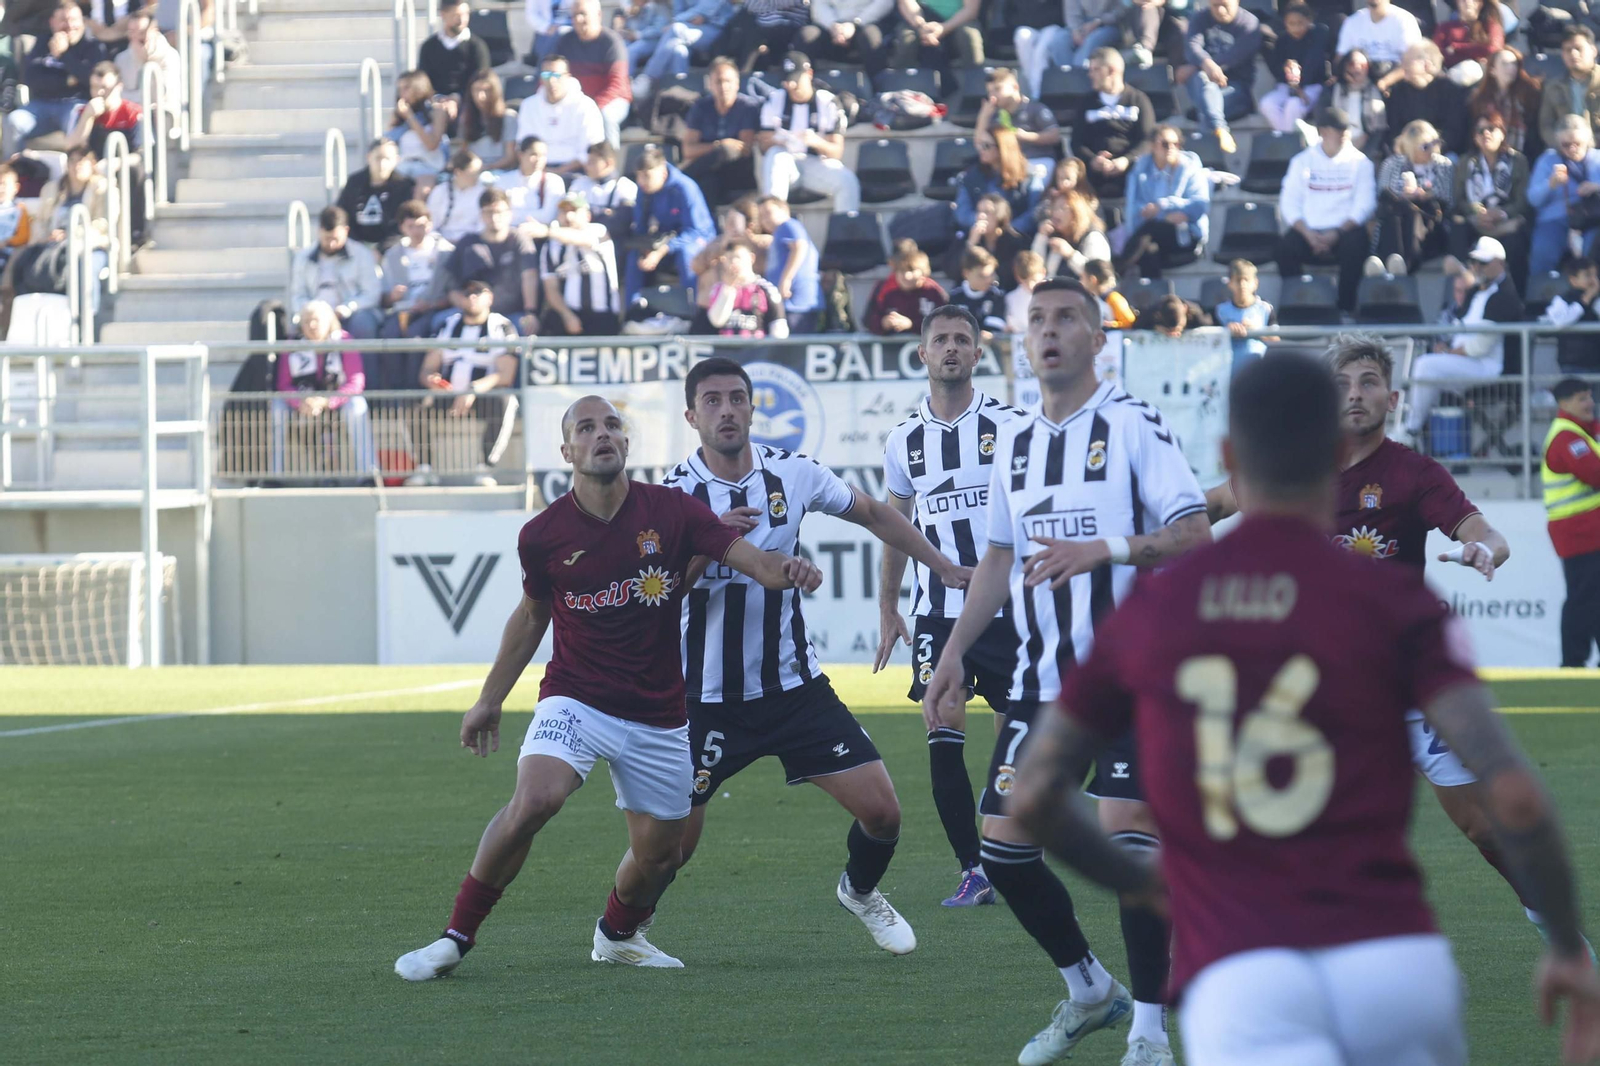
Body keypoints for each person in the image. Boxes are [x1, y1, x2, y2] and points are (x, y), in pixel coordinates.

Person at [1013, 351, 1600, 1066]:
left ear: (1232, 456)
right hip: (1395, 961)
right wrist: (1569, 946)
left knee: (1478, 824)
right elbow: (1517, 787)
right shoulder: (1401, 606)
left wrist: (1148, 883)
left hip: (1241, 967)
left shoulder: (1158, 608)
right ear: (1327, 448)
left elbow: (1037, 793)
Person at [394, 393, 824, 980]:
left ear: (626, 444)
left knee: (661, 856)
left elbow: (756, 561)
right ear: (567, 449)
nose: (602, 435)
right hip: (576, 697)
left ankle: (618, 936)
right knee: (535, 801)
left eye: (612, 426)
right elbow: (530, 617)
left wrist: (791, 570)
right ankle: (454, 937)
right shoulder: (542, 534)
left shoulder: (674, 511)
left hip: (659, 713)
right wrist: (488, 700)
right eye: (586, 427)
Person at [1207, 335, 1598, 962]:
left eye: (1367, 383)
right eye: (1342, 383)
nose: (1354, 395)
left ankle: (1560, 936)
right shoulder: (1286, 463)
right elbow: (1209, 505)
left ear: (1392, 398)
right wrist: (1138, 540)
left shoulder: (1413, 473)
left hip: (1403, 676)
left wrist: (1482, 551)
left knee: (1479, 824)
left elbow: (1485, 533)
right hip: (1313, 686)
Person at [923, 277, 1211, 1066]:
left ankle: (1151, 1035)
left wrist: (1109, 549)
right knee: (1005, 850)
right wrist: (950, 656)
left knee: (1130, 841)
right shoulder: (1012, 441)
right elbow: (998, 558)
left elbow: (1192, 534)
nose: (1048, 331)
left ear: (1096, 339)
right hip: (1045, 685)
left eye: (1066, 319)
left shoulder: (1132, 426)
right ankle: (1090, 991)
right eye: (1037, 320)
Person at [662, 357, 963, 954]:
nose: (727, 410)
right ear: (692, 416)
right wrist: (713, 538)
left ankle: (859, 890)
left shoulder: (792, 473)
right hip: (705, 699)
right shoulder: (673, 497)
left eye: (737, 399)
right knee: (669, 850)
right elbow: (659, 595)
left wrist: (944, 567)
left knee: (884, 814)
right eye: (713, 401)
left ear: (752, 407)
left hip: (795, 690)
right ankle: (622, 932)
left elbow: (876, 512)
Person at [874, 305, 1032, 907]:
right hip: (938, 612)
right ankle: (975, 868)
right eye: (939, 339)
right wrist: (890, 607)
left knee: (1018, 737)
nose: (950, 348)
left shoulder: (1013, 426)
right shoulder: (902, 440)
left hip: (1009, 607)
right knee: (942, 726)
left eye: (961, 340)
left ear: (976, 354)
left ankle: (1008, 847)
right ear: (922, 352)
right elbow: (895, 525)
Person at [1404, 236, 1524, 441]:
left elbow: (1479, 347)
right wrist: (1445, 345)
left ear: (1500, 264)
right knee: (1422, 367)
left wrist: (1448, 352)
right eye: (1475, 262)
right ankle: (1425, 441)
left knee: (1426, 366)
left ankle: (1411, 431)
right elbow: (1458, 327)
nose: (1478, 267)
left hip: (1490, 369)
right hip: (1466, 364)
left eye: (1484, 262)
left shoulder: (1505, 296)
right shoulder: (1476, 292)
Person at [412, 281, 521, 485]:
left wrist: (473, 389)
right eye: (467, 293)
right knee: (413, 400)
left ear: (490, 298)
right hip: (448, 393)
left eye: (478, 293)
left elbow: (505, 375)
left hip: (482, 395)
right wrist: (432, 380)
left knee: (507, 401)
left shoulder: (501, 326)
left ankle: (485, 467)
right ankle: (424, 468)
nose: (472, 297)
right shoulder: (448, 324)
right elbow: (427, 368)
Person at [1276, 107, 1378, 312]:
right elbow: (1289, 202)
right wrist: (1307, 233)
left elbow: (1365, 204)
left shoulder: (1361, 163)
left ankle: (1345, 307)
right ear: (1322, 131)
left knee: (1356, 245)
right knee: (1284, 249)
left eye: (1345, 130)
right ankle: (1300, 303)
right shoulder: (1301, 161)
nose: (1343, 134)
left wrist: (1337, 233)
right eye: (1337, 130)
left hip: (1344, 231)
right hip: (1309, 231)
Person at [269, 301, 376, 478]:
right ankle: (274, 476)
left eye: (316, 320)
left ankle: (369, 474)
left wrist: (328, 401)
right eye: (306, 321)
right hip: (303, 402)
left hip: (338, 401)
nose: (311, 325)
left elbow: (355, 383)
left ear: (329, 321)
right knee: (277, 408)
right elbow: (283, 384)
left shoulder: (344, 341)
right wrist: (301, 401)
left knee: (357, 406)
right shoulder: (292, 344)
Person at [756, 52, 860, 214]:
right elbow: (763, 145)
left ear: (809, 74)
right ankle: (774, 228)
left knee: (847, 180)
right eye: (787, 80)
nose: (792, 86)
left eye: (796, 80)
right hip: (786, 163)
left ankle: (846, 232)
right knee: (776, 157)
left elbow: (837, 151)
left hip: (815, 162)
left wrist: (816, 142)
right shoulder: (774, 100)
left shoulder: (828, 102)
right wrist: (780, 140)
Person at [1543, 377, 1600, 667]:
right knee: (1583, 597)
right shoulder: (1567, 437)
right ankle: (1572, 662)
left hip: (1586, 532)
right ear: (1563, 404)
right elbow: (1595, 474)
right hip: (1579, 533)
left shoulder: (1582, 431)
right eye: (1581, 398)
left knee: (1590, 596)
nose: (1589, 403)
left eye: (1589, 396)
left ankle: (1575, 661)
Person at [5, 1, 107, 156]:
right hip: (41, 104)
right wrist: (68, 80)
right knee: (12, 122)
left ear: (83, 22)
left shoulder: (92, 46)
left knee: (76, 120)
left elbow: (89, 79)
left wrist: (63, 55)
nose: (69, 25)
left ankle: (73, 173)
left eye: (74, 20)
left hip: (74, 103)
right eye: (63, 20)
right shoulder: (43, 42)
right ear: (52, 23)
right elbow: (30, 78)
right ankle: (18, 172)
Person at [440, 188, 541, 337]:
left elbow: (529, 276)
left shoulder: (519, 240)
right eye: (489, 212)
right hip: (471, 314)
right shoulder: (468, 243)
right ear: (481, 215)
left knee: (525, 329)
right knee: (438, 323)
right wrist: (466, 305)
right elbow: (451, 286)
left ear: (510, 214)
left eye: (499, 212)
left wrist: (530, 312)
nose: (494, 217)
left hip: (512, 313)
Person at [1116, 124, 1210, 279]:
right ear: (1153, 146)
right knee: (1149, 250)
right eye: (1165, 144)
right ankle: (1155, 297)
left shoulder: (1191, 169)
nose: (1171, 148)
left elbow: (1199, 205)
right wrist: (1165, 217)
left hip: (1185, 235)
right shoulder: (1140, 170)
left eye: (1176, 144)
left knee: (1152, 227)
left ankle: (1116, 271)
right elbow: (1133, 209)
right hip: (1150, 236)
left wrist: (1163, 206)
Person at [625, 145, 714, 305]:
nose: (641, 182)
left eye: (646, 176)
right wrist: (644, 250)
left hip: (696, 241)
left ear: (663, 172)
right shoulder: (643, 190)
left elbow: (694, 231)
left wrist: (661, 251)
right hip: (665, 240)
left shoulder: (685, 188)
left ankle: (693, 309)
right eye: (638, 176)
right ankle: (633, 311)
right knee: (634, 256)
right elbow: (640, 228)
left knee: (687, 255)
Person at [287, 205, 384, 339]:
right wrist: (313, 311)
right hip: (315, 315)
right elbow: (298, 295)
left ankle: (359, 360)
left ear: (346, 230)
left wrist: (346, 308)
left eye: (335, 239)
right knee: (296, 329)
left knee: (363, 324)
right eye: (327, 239)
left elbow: (371, 294)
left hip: (352, 314)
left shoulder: (362, 254)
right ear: (319, 231)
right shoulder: (303, 258)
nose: (331, 244)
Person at [1372, 119, 1454, 274]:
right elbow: (1382, 194)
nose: (1431, 150)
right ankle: (1391, 262)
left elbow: (1447, 199)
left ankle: (1400, 264)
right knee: (1393, 207)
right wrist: (1404, 195)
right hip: (1397, 218)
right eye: (1425, 146)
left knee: (1410, 210)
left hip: (1427, 223)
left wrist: (1424, 195)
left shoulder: (1443, 164)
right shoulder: (1392, 164)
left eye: (1434, 143)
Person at [1181, 0, 1263, 155]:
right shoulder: (1200, 18)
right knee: (1204, 81)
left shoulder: (1249, 23)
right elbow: (1192, 46)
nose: (1220, 10)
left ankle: (1207, 163)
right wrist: (1206, 64)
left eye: (1224, 5)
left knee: (1204, 111)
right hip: (1202, 82)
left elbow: (1234, 56)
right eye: (1215, 5)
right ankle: (1220, 129)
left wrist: (1201, 65)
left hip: (1235, 89)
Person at [1073, 48, 1156, 201]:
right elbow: (1076, 142)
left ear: (1112, 70)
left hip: (1131, 169)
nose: (1090, 75)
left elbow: (1147, 140)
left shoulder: (1139, 100)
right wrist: (1093, 160)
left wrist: (1126, 160)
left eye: (1096, 70)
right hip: (1094, 173)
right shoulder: (1086, 103)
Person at [680, 57, 762, 209]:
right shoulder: (701, 107)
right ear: (710, 84)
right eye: (718, 81)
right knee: (708, 184)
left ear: (737, 83)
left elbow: (744, 149)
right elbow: (688, 150)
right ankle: (710, 230)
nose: (723, 86)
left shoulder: (747, 107)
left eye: (728, 81)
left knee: (725, 152)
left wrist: (718, 149)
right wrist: (718, 145)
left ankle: (679, 178)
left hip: (739, 173)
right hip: (710, 174)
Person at [552, 0, 632, 145]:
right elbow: (552, 73)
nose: (578, 19)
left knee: (606, 116)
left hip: (612, 100)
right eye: (574, 15)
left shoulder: (612, 42)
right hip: (577, 102)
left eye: (583, 13)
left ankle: (609, 163)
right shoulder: (564, 42)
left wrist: (591, 107)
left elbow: (617, 85)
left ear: (598, 15)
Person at [1529, 115, 1600, 278]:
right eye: (1566, 145)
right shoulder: (1548, 160)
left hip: (1593, 220)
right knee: (1543, 252)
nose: (1572, 149)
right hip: (1555, 220)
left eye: (1578, 143)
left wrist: (1597, 187)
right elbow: (1533, 199)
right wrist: (1550, 184)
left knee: (1593, 250)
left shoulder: (1597, 158)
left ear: (1588, 137)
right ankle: (1541, 298)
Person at [541, 194, 622, 336]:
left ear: (587, 216)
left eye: (574, 211)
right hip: (568, 314)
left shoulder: (599, 231)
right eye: (564, 211)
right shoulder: (551, 246)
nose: (569, 216)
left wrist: (547, 231)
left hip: (602, 314)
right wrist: (567, 315)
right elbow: (551, 288)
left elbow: (584, 239)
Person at [516, 55, 606, 176]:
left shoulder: (586, 105)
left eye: (556, 75)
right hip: (537, 173)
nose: (552, 81)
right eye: (546, 75)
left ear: (567, 77)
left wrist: (559, 172)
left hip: (577, 173)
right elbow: (524, 146)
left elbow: (592, 150)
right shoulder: (528, 105)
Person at [378, 200, 454, 343]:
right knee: (390, 334)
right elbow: (383, 298)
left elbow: (453, 292)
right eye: (410, 226)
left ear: (430, 224)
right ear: (402, 227)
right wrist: (392, 296)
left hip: (434, 310)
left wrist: (431, 304)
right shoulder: (392, 256)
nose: (416, 231)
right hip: (402, 310)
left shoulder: (445, 253)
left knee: (417, 334)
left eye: (421, 225)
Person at [1379, 41, 1469, 157]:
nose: (1402, 65)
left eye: (1408, 61)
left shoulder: (1450, 90)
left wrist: (1429, 149)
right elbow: (1394, 130)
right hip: (1407, 153)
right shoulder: (1398, 91)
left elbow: (1454, 132)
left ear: (1426, 64)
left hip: (1440, 153)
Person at [631, 0, 737, 99]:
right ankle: (679, 93)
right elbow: (678, 13)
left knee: (675, 29)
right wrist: (684, 19)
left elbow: (704, 10)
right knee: (678, 50)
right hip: (689, 29)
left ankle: (648, 77)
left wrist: (680, 20)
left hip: (715, 30)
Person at [1014, 0, 1124, 92]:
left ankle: (1080, 86)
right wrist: (1075, 29)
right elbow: (1071, 12)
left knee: (1089, 43)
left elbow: (1122, 8)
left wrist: (1099, 22)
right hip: (1082, 26)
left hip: (1107, 25)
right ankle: (1066, 84)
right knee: (1058, 41)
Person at [956, 125, 1044, 239]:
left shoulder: (1030, 175)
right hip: (980, 236)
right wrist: (984, 224)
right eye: (979, 145)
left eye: (986, 146)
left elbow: (1034, 212)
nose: (980, 150)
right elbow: (962, 212)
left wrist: (1008, 230)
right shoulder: (971, 176)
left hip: (1017, 239)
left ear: (1002, 148)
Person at [1258, 3, 1331, 134]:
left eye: (1300, 23)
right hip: (1286, 87)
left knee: (1293, 105)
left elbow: (1312, 64)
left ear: (1309, 21)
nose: (1296, 28)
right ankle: (1287, 138)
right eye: (1291, 23)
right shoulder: (1282, 40)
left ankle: (1286, 142)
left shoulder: (1317, 35)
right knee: (1267, 104)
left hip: (1311, 86)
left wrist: (1300, 87)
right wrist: (1285, 68)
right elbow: (1278, 69)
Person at [974, 68, 1062, 176]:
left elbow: (1055, 135)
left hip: (1037, 161)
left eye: (997, 89)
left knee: (1034, 187)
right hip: (1006, 166)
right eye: (990, 92)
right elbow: (979, 144)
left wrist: (1027, 136)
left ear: (1015, 87)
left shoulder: (1035, 109)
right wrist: (983, 116)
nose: (993, 96)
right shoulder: (993, 115)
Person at [337, 139, 417, 251]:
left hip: (393, 249)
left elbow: (402, 223)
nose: (382, 164)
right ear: (369, 157)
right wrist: (358, 248)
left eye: (387, 159)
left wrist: (381, 249)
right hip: (356, 247)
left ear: (397, 160)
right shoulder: (354, 183)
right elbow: (343, 214)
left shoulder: (404, 186)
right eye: (378, 158)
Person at [757, 195, 821, 332]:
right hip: (789, 303)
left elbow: (799, 247)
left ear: (784, 210)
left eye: (768, 213)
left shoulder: (788, 225)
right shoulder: (780, 233)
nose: (765, 219)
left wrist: (786, 279)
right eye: (761, 216)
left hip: (796, 302)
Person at [1471, 48, 1544, 160]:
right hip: (1486, 157)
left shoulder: (1528, 95)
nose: (1511, 68)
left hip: (1522, 158)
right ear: (1492, 70)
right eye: (1505, 64)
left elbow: (1534, 134)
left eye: (1514, 64)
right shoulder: (1479, 99)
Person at [703, 239, 787, 337]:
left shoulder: (766, 289)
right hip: (726, 350)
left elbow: (779, 327)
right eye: (730, 258)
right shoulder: (718, 289)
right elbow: (716, 321)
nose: (734, 262)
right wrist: (728, 289)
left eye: (738, 257)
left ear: (751, 258)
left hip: (757, 349)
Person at [386, 70, 453, 187]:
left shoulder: (436, 111)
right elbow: (389, 141)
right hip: (404, 166)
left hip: (429, 166)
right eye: (400, 89)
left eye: (407, 88)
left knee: (421, 188)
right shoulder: (399, 115)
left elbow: (432, 145)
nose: (402, 93)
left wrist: (410, 117)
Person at [866, 241, 947, 335]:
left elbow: (943, 323)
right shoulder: (887, 293)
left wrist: (911, 324)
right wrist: (883, 323)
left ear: (924, 272)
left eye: (912, 270)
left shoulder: (933, 292)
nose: (907, 276)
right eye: (902, 271)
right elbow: (869, 321)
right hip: (892, 348)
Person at [1540, 26, 1600, 152]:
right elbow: (1546, 125)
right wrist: (1563, 145)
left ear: (1594, 50)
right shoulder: (1553, 87)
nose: (1573, 54)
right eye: (1568, 50)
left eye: (1578, 49)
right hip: (1565, 150)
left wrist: (1591, 145)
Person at [65, 60, 139, 159]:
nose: (99, 92)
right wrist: (87, 117)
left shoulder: (133, 113)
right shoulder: (82, 112)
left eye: (104, 87)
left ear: (119, 86)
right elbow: (72, 150)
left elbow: (142, 154)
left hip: (124, 169)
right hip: (92, 169)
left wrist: (115, 165)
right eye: (94, 87)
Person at [417, 0, 490, 101]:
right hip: (435, 102)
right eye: (456, 15)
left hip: (468, 103)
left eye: (465, 14)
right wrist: (438, 99)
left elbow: (481, 80)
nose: (461, 20)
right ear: (443, 15)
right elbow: (423, 80)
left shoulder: (477, 46)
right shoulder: (429, 46)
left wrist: (457, 98)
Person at [1213, 257, 1276, 373]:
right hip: (1227, 372)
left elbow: (1276, 339)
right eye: (1238, 280)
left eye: (1246, 280)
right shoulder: (1220, 310)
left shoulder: (1265, 308)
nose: (1242, 285)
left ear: (1255, 283)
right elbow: (1211, 341)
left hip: (1258, 370)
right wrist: (1226, 331)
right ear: (1230, 283)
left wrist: (1256, 331)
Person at [568, 140, 638, 241]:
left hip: (612, 243)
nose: (586, 166)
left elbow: (621, 223)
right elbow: (568, 211)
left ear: (608, 163)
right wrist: (603, 214)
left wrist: (588, 214)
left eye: (592, 162)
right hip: (578, 240)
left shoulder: (625, 186)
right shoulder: (579, 183)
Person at [1033, 189, 1111, 277]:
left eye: (1063, 208)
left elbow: (1099, 276)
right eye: (1054, 207)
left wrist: (1070, 254)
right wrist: (1041, 237)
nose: (1056, 213)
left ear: (1076, 213)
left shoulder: (1093, 237)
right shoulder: (1054, 234)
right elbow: (1036, 269)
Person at [796, 0, 892, 72]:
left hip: (865, 22)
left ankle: (879, 88)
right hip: (831, 24)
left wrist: (856, 24)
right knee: (806, 36)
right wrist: (832, 25)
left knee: (870, 38)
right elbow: (819, 4)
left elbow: (884, 3)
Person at [501, 136, 567, 241]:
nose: (538, 160)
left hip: (542, 239)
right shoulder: (503, 180)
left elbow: (548, 216)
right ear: (520, 155)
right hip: (508, 237)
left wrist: (512, 216)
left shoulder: (554, 181)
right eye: (533, 154)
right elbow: (498, 215)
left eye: (543, 155)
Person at [887, 0, 982, 70]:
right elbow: (905, 2)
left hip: (958, 22)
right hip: (919, 21)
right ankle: (900, 87)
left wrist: (944, 28)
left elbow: (971, 10)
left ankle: (977, 87)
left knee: (970, 37)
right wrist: (921, 26)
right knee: (907, 38)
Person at [963, 192, 1031, 290]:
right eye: (979, 211)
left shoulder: (1016, 240)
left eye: (987, 212)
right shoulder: (969, 236)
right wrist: (971, 244)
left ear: (999, 215)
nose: (981, 216)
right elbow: (953, 271)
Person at [1328, 48, 1388, 158]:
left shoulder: (1375, 91)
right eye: (1352, 64)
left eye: (1363, 65)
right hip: (1338, 142)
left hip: (1366, 145)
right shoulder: (1333, 90)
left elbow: (1379, 130)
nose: (1358, 68)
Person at [1547, 257, 1600, 372]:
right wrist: (1585, 300)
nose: (1593, 280)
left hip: (1596, 363)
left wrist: (1594, 299)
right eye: (1587, 275)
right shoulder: (1562, 300)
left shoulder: (1597, 300)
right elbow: (1560, 321)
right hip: (1572, 364)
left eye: (1595, 275)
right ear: (1573, 280)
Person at [425, 149, 489, 244]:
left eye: (479, 172)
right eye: (473, 172)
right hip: (442, 242)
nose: (477, 176)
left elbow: (482, 226)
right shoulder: (440, 191)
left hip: (472, 242)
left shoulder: (483, 192)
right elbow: (431, 223)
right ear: (458, 172)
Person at [458, 71, 517, 173]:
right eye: (476, 90)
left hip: (500, 170)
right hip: (473, 170)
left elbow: (510, 157)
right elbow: (464, 152)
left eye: (487, 90)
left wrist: (488, 167)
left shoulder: (509, 117)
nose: (481, 96)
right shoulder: (466, 118)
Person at [1335, 0, 1421, 67]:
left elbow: (1414, 61)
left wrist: (1385, 82)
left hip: (1396, 81)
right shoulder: (1352, 22)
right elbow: (1340, 58)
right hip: (1362, 80)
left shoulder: (1405, 20)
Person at [944, 247, 1007, 336]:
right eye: (982, 276)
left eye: (991, 274)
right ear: (966, 274)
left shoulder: (996, 295)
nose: (989, 280)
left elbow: (995, 327)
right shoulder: (956, 296)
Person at [1433, 0, 1502, 78]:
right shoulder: (1444, 27)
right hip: (1450, 77)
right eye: (1463, 0)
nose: (1468, 2)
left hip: (1484, 79)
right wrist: (1477, 55)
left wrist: (1456, 47)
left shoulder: (1491, 26)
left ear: (1481, 3)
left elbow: (1494, 49)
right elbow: (1437, 53)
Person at [1081, 258, 1138, 329]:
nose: (1081, 281)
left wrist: (1113, 325)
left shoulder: (1113, 298)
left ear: (1093, 280)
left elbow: (1128, 321)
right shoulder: (1087, 299)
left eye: (1082, 277)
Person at [1006, 249, 1045, 333]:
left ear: (1043, 272)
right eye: (1025, 281)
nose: (1031, 285)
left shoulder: (1054, 296)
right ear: (1017, 277)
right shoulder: (1010, 299)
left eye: (1034, 280)